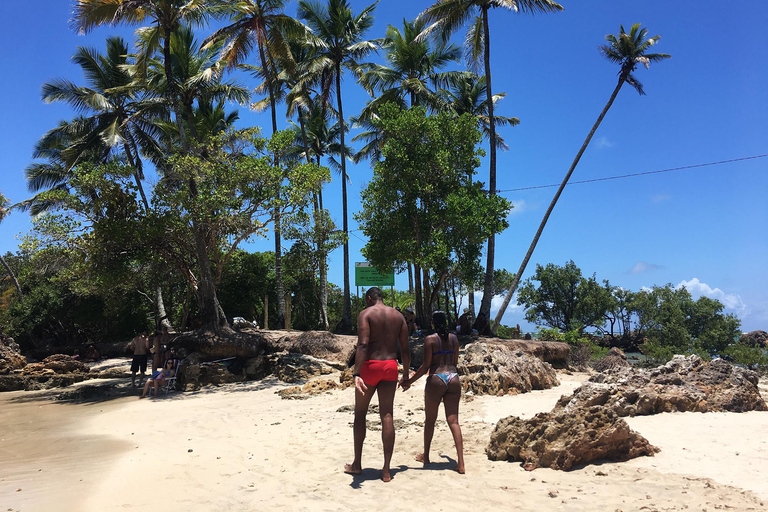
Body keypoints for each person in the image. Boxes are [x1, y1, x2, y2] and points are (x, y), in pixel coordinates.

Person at [344, 287, 410, 482]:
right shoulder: (398, 316)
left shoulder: (366, 314)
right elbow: (405, 349)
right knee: (387, 414)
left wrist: (356, 372)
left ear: (369, 298)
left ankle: (357, 464)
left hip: (371, 366)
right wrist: (405, 374)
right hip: (390, 365)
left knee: (360, 414)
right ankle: (387, 470)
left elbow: (363, 344)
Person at [401, 310, 465, 474]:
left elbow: (425, 367)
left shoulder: (430, 339)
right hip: (453, 377)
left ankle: (427, 456)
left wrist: (409, 382)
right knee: (454, 421)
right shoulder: (454, 338)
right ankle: (461, 462)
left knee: (430, 420)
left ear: (433, 323)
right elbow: (455, 361)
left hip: (436, 378)